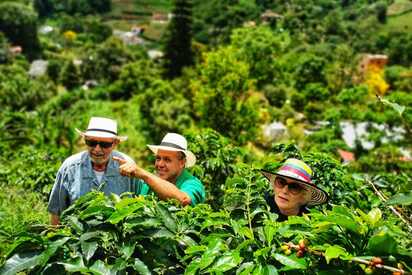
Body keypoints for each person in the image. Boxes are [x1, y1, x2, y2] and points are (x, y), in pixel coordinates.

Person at [48, 117, 139, 225]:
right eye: (91, 142)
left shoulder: (127, 166)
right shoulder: (70, 167)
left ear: (115, 143)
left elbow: (136, 208)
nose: (97, 149)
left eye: (104, 144)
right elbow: (56, 212)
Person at [114, 133, 205, 206]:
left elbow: (183, 200)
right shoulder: (148, 184)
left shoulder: (192, 183)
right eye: (158, 158)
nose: (160, 164)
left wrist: (144, 175)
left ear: (182, 163)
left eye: (167, 159)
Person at [261, 158, 328, 221]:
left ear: (304, 195)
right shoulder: (258, 208)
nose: (284, 191)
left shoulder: (309, 222)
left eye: (294, 187)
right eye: (281, 182)